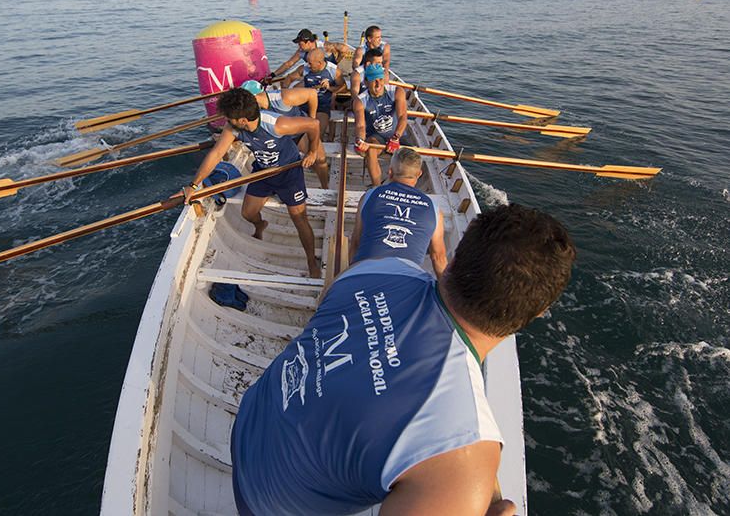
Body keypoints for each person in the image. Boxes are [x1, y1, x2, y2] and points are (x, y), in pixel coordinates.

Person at [231, 204, 576, 516]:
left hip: (246, 424)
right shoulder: (463, 456)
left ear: (453, 259)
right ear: (537, 313)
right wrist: (473, 484)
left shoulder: (378, 269)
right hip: (265, 505)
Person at [184, 88, 322, 278]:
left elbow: (314, 124)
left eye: (229, 119)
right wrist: (193, 186)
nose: (227, 122)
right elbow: (216, 154)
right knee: (248, 213)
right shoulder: (233, 128)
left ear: (242, 120)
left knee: (299, 218)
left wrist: (313, 152)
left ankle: (311, 260)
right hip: (262, 172)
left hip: (289, 173)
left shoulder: (276, 124)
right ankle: (260, 225)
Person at [349, 147, 447, 278]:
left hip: (364, 273)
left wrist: (350, 274)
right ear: (419, 174)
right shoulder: (434, 210)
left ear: (390, 172)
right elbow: (438, 257)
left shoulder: (370, 195)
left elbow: (356, 241)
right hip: (406, 280)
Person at [240, 80, 330, 188]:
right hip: (279, 137)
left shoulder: (283, 97)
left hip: (299, 132)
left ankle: (325, 187)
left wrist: (311, 118)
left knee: (320, 160)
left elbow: (312, 94)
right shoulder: (249, 111)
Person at [353, 63, 409, 186]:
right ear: (366, 82)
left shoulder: (397, 91)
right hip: (376, 137)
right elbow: (360, 126)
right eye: (374, 81)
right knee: (371, 149)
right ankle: (377, 187)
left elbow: (402, 117)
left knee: (412, 159)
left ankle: (402, 186)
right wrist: (360, 140)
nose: (378, 84)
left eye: (380, 80)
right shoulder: (360, 100)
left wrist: (396, 137)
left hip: (397, 135)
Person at [283, 48, 348, 139]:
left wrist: (329, 87)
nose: (308, 65)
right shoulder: (304, 68)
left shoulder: (334, 71)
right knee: (295, 133)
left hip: (322, 105)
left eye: (310, 63)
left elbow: (344, 88)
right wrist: (284, 91)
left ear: (319, 63)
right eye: (307, 62)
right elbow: (289, 78)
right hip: (305, 104)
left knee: (317, 134)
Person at [267, 28, 349, 82]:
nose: (299, 47)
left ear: (309, 42)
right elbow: (289, 64)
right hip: (313, 75)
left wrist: (336, 62)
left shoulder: (324, 46)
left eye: (300, 44)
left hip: (330, 76)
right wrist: (273, 75)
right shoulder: (301, 52)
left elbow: (344, 48)